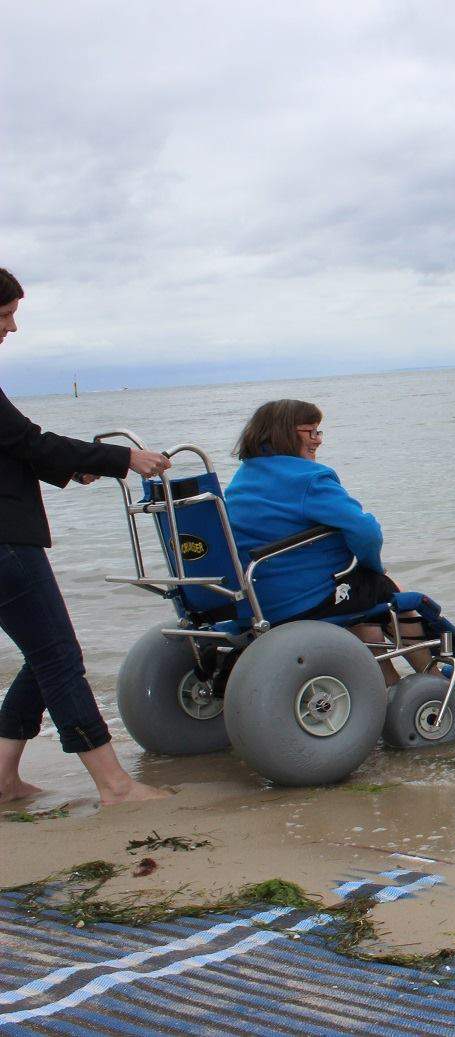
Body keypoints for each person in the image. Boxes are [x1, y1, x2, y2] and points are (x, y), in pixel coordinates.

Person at [0, 268, 174, 805]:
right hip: (7, 541)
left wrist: (71, 468)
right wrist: (126, 458)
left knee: (44, 651)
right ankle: (114, 786)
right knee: (57, 654)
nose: (12, 328)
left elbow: (18, 449)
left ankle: (3, 781)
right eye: (5, 315)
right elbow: (31, 440)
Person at [223, 400, 427, 684]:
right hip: (298, 602)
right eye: (312, 432)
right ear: (284, 432)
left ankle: (387, 682)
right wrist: (372, 569)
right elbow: (366, 531)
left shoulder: (241, 479)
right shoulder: (310, 479)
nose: (318, 440)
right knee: (384, 588)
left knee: (359, 603)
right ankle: (436, 676)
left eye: (320, 432)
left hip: (253, 604)